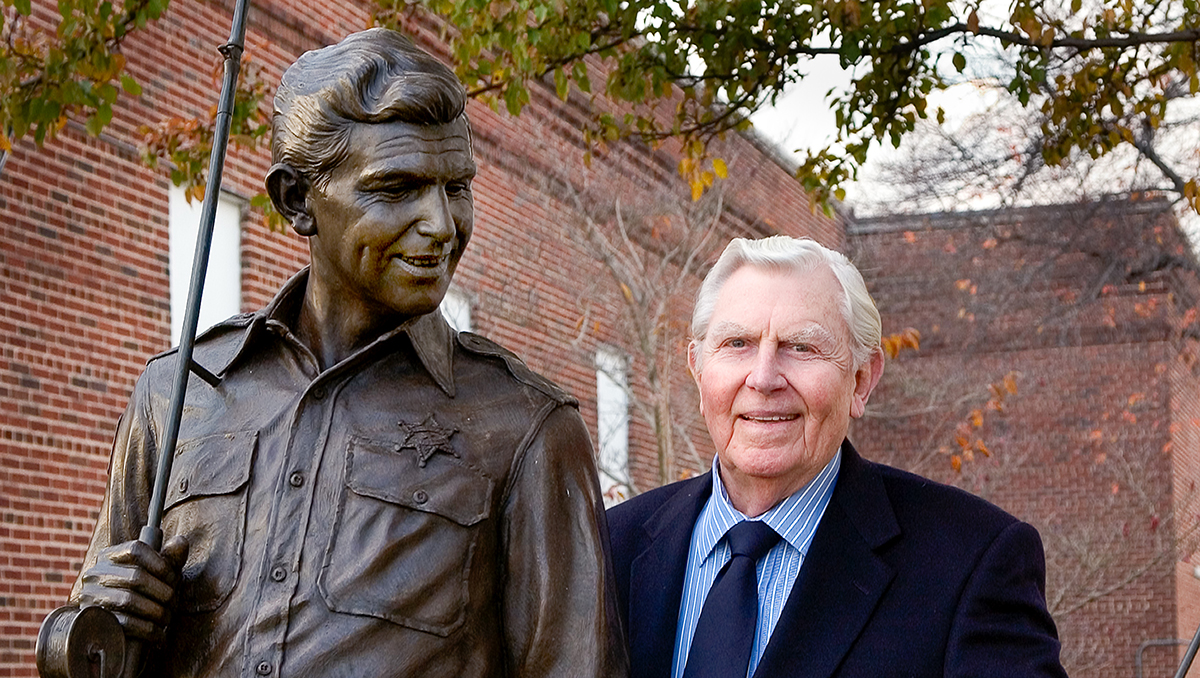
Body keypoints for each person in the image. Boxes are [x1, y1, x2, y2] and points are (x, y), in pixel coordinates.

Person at [65, 28, 627, 678]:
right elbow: (93, 638)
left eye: (456, 188)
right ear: (297, 200)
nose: (441, 225)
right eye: (397, 188)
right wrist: (85, 628)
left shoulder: (525, 426)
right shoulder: (179, 392)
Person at [607, 235, 1067, 678]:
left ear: (862, 380)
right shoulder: (609, 547)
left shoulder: (972, 561)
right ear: (698, 369)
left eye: (801, 347)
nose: (763, 378)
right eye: (737, 344)